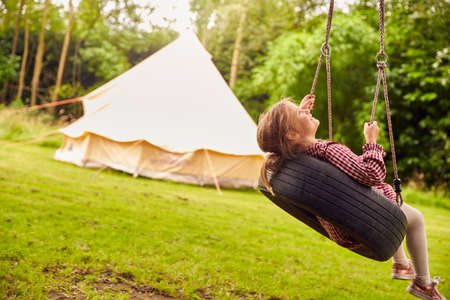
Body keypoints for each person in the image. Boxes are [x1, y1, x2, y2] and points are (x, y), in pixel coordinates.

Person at [257, 96, 445, 300]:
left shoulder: (296, 158)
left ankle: (401, 263)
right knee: (415, 218)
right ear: (291, 134)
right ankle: (423, 283)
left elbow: (295, 136)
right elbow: (372, 174)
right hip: (371, 216)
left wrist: (300, 114)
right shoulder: (328, 150)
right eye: (300, 113)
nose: (307, 112)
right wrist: (371, 142)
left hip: (344, 229)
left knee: (396, 214)